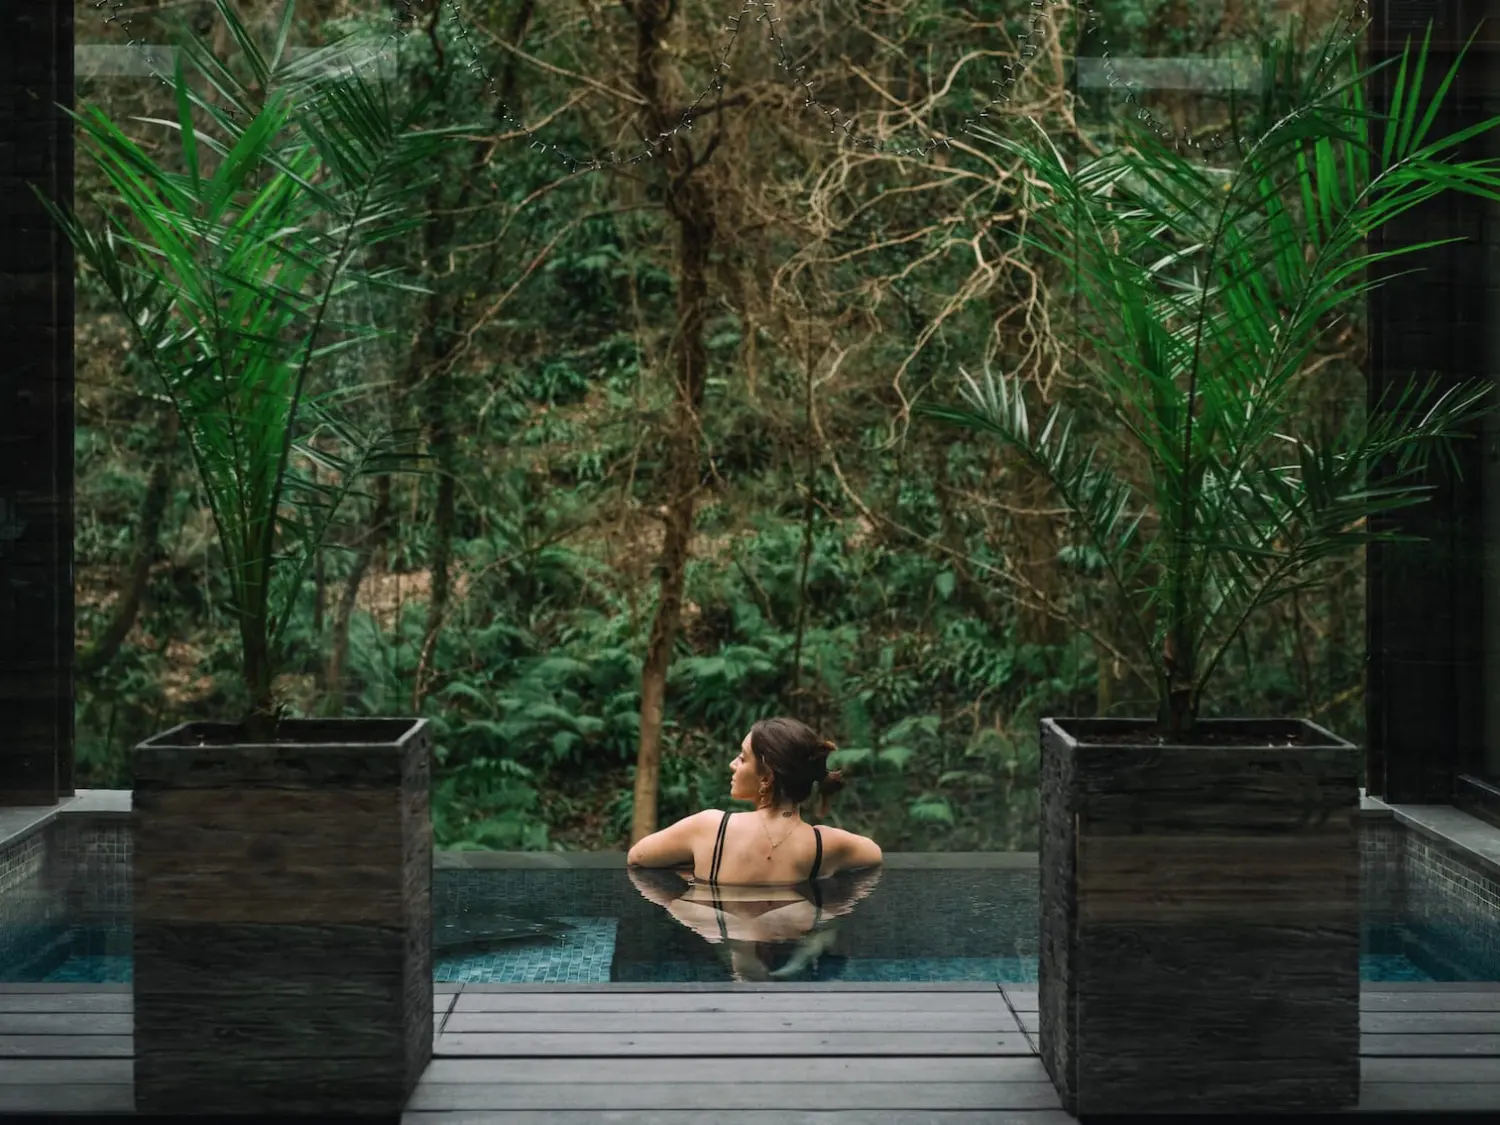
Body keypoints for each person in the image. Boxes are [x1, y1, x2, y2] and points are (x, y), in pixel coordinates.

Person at [626, 716, 883, 884]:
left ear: (767, 777)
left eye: (742, 758)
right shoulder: (824, 844)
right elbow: (874, 855)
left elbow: (637, 857)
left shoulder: (710, 828)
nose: (732, 765)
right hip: (789, 941)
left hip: (724, 940)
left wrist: (684, 889)